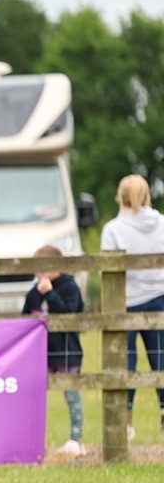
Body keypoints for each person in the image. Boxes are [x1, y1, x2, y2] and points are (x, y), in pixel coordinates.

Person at [99, 174, 164, 437]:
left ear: (120, 197)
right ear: (147, 195)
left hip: (125, 301)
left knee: (126, 363)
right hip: (160, 297)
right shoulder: (162, 224)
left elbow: (107, 271)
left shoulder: (113, 229)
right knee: (161, 359)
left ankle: (125, 421)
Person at [22, 245, 84, 455]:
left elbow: (69, 313)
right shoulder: (35, 290)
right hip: (41, 353)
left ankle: (75, 439)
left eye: (44, 269)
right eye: (37, 270)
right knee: (33, 394)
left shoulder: (69, 287)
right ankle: (31, 439)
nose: (39, 275)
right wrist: (39, 296)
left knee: (72, 394)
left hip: (67, 350)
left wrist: (50, 293)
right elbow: (26, 315)